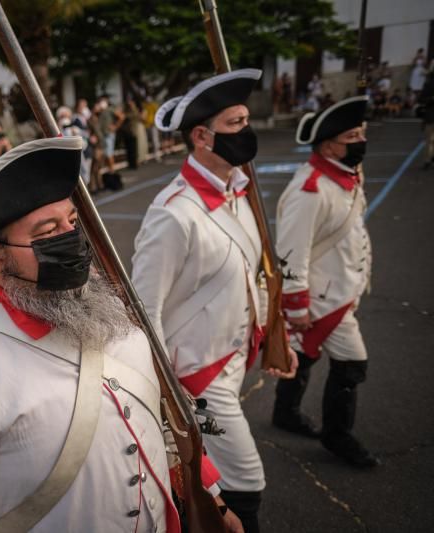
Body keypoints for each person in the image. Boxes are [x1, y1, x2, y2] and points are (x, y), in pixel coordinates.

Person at [0, 136, 239, 533]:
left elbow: (163, 417)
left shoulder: (110, 306)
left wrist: (212, 498)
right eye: (47, 232)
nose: (71, 241)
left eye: (72, 223)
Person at [132, 69, 298, 533]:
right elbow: (145, 309)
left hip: (233, 357)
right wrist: (167, 396)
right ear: (201, 136)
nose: (246, 132)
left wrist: (273, 338)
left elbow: (254, 275)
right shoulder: (173, 213)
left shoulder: (239, 192)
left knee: (218, 479)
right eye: (236, 123)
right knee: (246, 482)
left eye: (246, 120)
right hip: (196, 377)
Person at [273, 96, 379, 469]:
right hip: (321, 296)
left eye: (362, 132)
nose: (360, 140)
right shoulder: (311, 189)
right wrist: (297, 305)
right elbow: (291, 251)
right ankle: (337, 436)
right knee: (352, 364)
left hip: (339, 287)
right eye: (352, 135)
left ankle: (284, 412)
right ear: (328, 144)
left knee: (302, 354)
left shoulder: (344, 173)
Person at [420, 70, 434, 169]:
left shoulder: (428, 84)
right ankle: (429, 159)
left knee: (429, 140)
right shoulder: (428, 84)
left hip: (430, 116)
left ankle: (428, 160)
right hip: (430, 115)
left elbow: (422, 99)